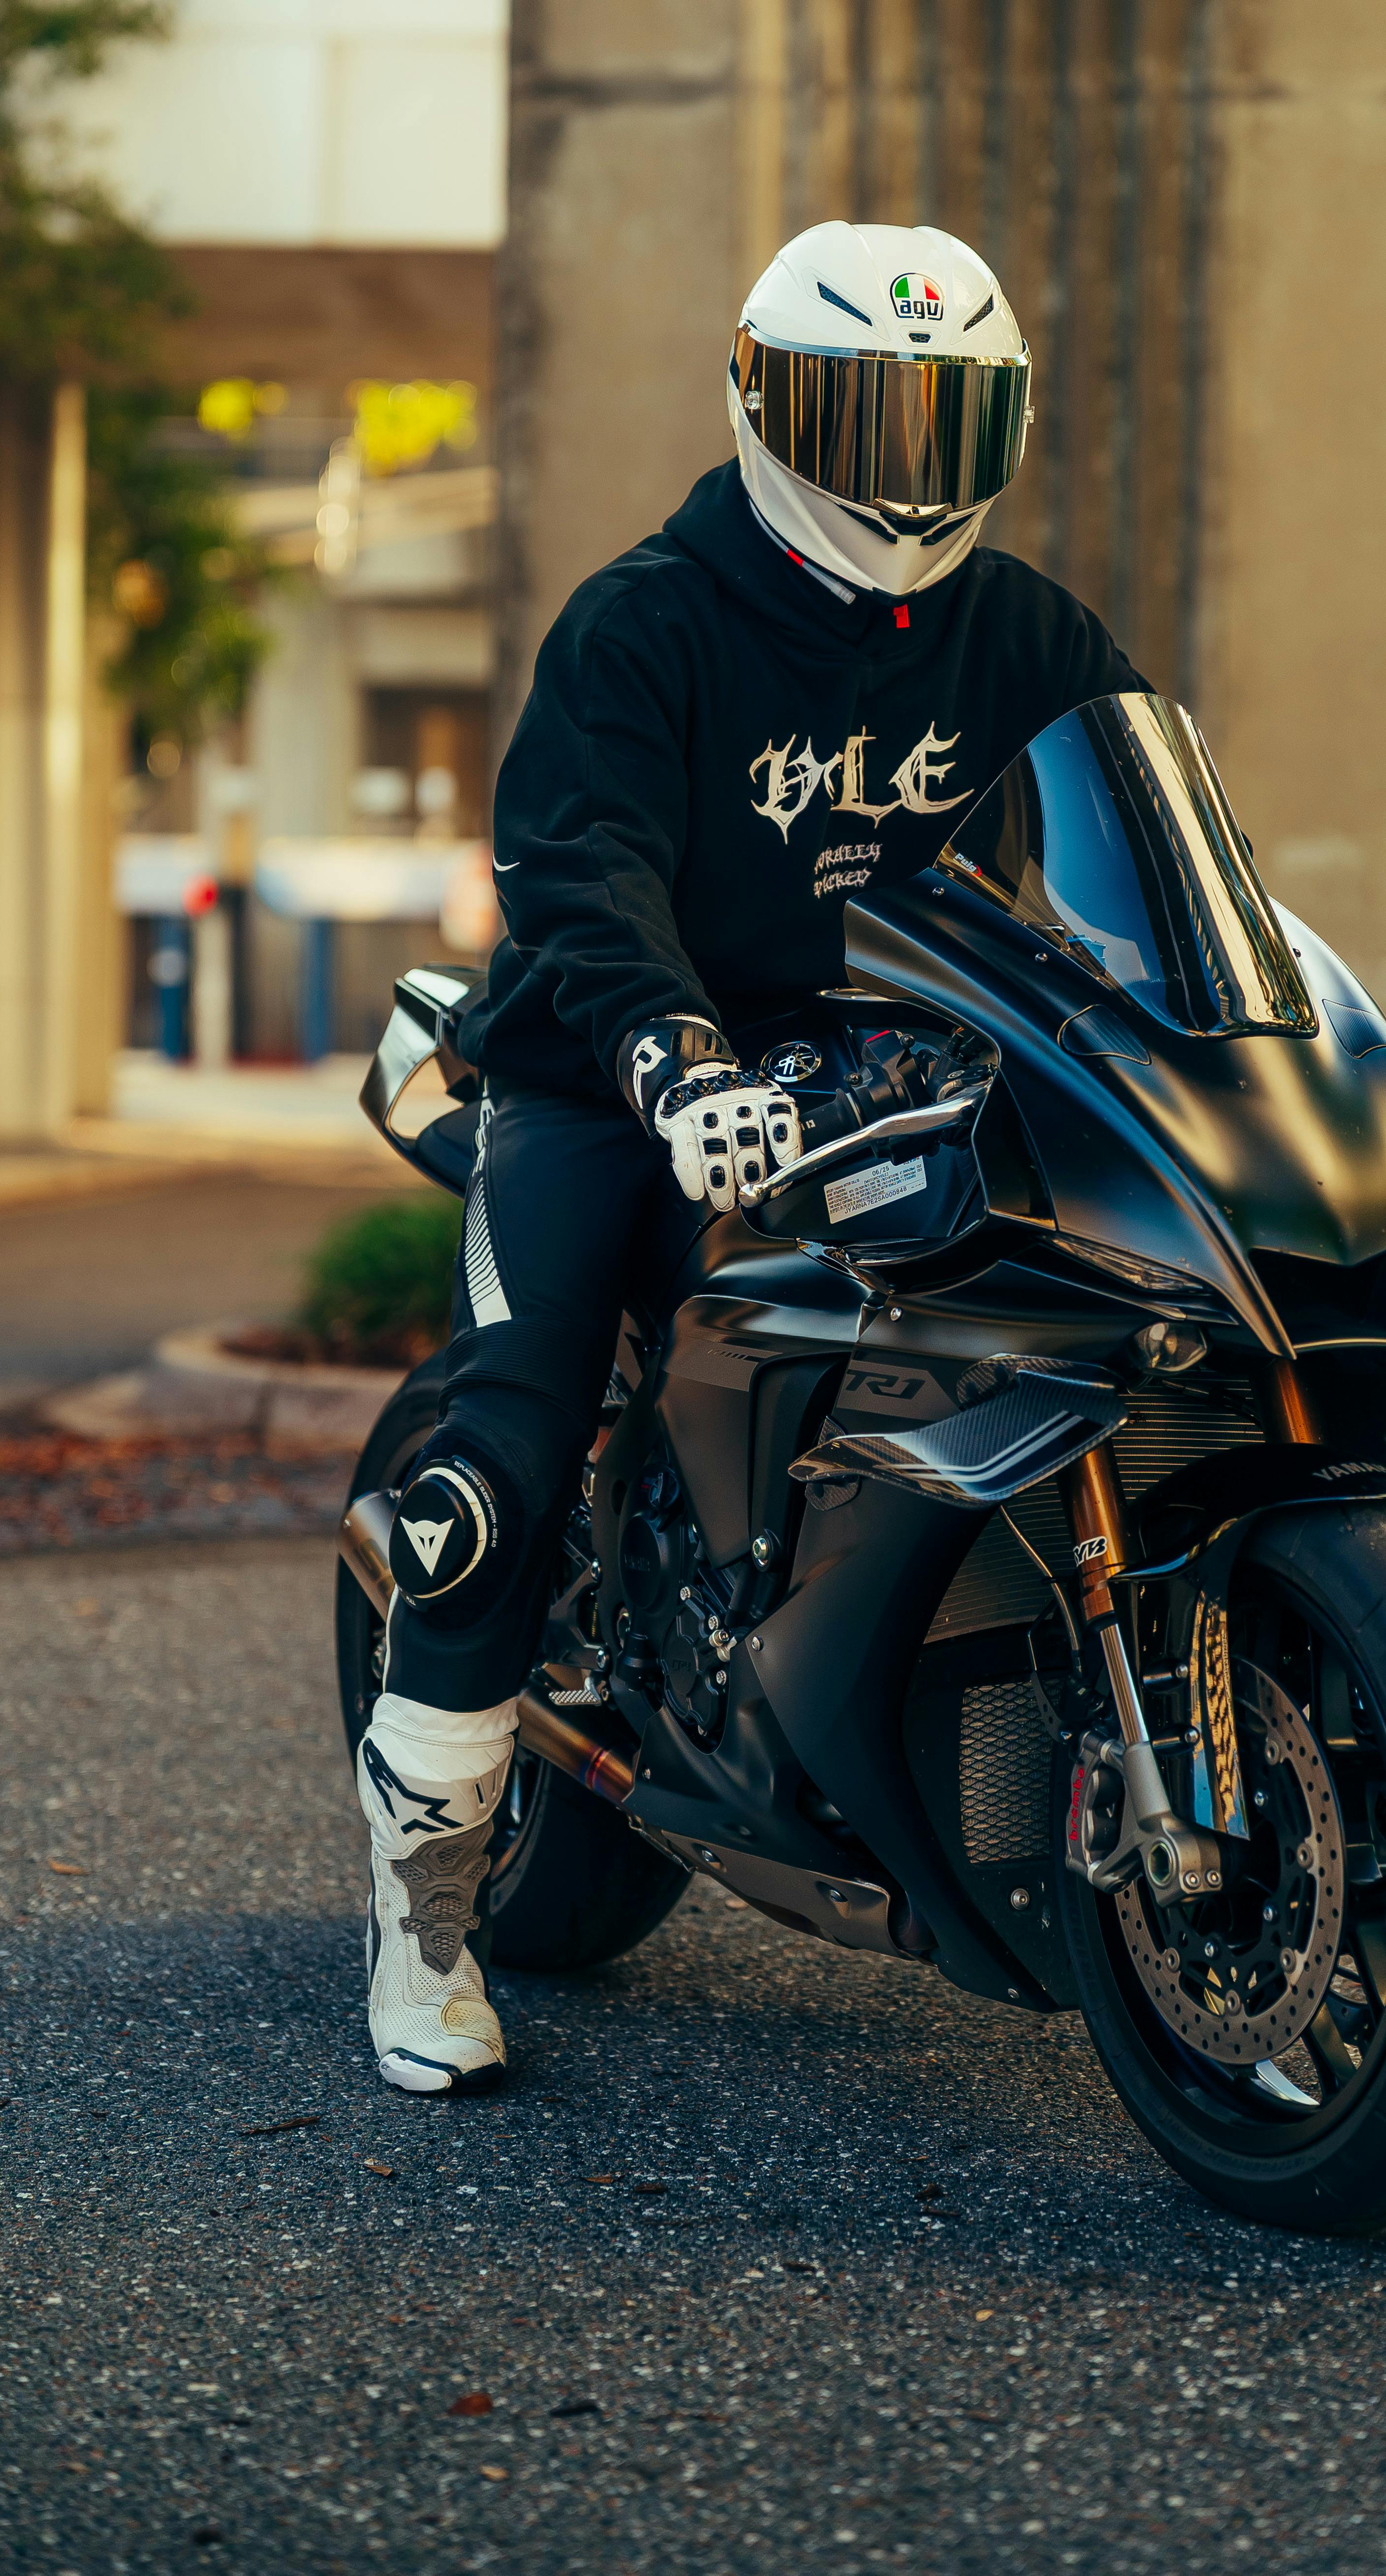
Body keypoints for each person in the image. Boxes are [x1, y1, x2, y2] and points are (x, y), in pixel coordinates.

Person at [357, 219, 1149, 2093]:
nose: (895, 461)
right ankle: (418, 1938)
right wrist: (667, 1047)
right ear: (760, 399)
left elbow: (1149, 854)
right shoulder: (650, 616)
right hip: (605, 1085)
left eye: (940, 416)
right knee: (507, 1456)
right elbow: (577, 860)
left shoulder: (1026, 632)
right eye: (853, 410)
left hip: (880, 1079)